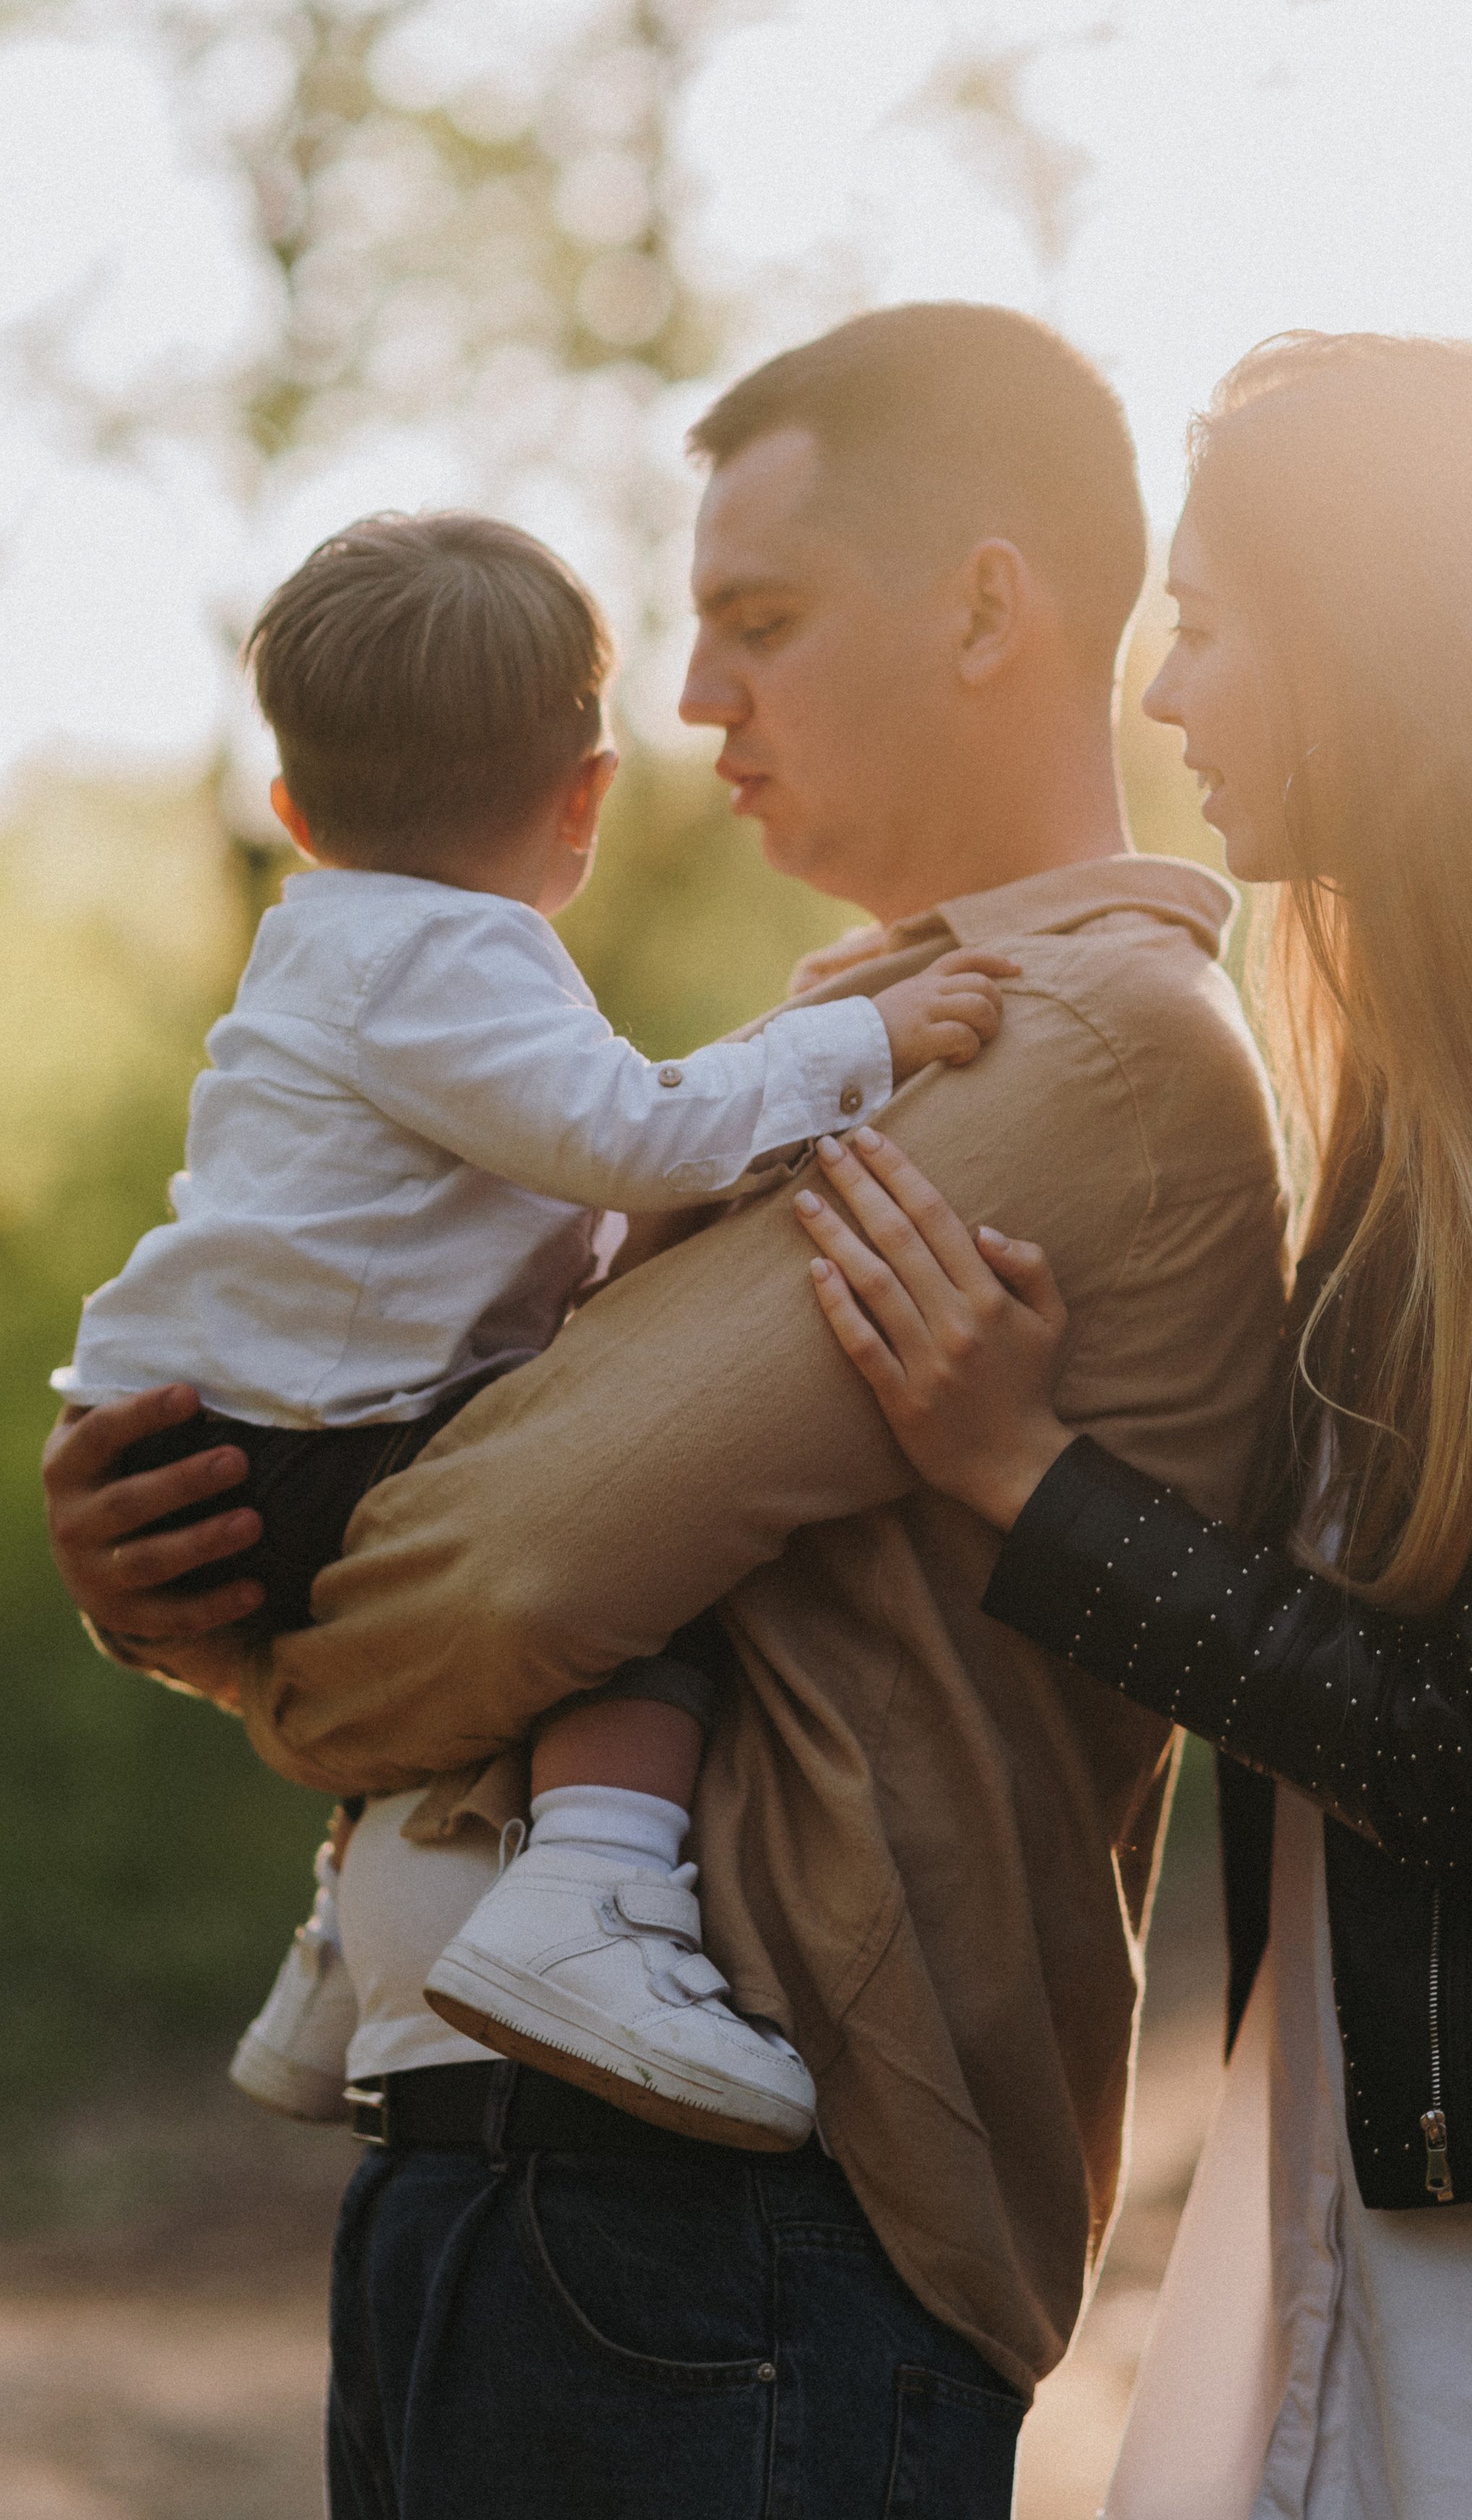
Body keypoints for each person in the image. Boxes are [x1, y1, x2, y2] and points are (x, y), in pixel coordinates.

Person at [42, 303, 1291, 2518]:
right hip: (543, 2195)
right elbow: (498, 1481)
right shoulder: (866, 1026)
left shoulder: (1066, 1041)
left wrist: (269, 1646)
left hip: (743, 2239)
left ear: (991, 604)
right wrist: (187, 1539)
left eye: (760, 619)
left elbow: (520, 1554)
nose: (698, 700)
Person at [792, 331, 1472, 2520]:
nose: (1163, 694)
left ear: (1390, 652)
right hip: (1440, 2167)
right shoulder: (1443, 1151)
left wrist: (1025, 1479)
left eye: (1205, 621)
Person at [56, 505, 1013, 2159]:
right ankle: (589, 1894)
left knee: (510, 1440)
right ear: (583, 796)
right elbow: (631, 1135)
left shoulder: (326, 945)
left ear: (292, 811)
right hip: (307, 1439)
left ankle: (347, 1936)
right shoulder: (449, 952)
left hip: (227, 1426)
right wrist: (857, 1038)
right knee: (636, 1549)